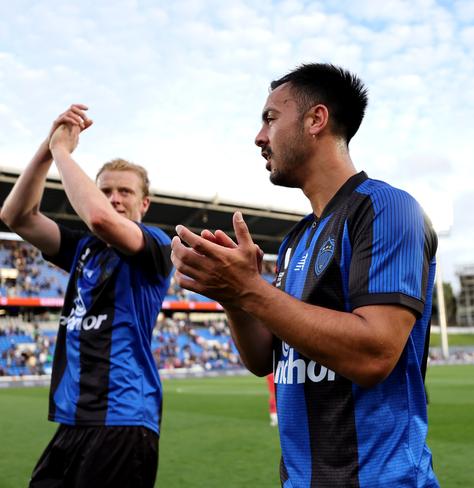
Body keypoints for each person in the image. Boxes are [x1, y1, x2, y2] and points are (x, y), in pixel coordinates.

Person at [171, 63, 440, 487]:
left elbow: (374, 354)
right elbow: (263, 359)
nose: (259, 137)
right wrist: (233, 297)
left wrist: (250, 288)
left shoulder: (387, 208)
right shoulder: (297, 237)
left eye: (270, 119)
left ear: (316, 119)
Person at [0, 105, 173, 488]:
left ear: (144, 203)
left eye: (125, 191)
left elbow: (100, 219)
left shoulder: (156, 245)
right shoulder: (84, 249)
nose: (113, 198)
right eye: (104, 190)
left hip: (124, 418)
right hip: (74, 419)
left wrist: (63, 152)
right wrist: (47, 149)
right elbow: (17, 216)